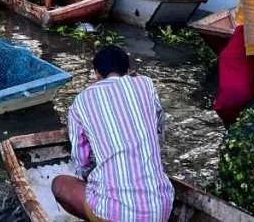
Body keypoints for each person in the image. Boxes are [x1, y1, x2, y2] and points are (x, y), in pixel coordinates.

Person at [52, 46, 174, 222]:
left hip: (116, 214)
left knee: (59, 185)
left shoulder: (81, 102)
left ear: (96, 73)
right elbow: (158, 130)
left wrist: (92, 176)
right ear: (127, 70)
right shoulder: (146, 85)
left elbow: (82, 162)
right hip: (162, 207)